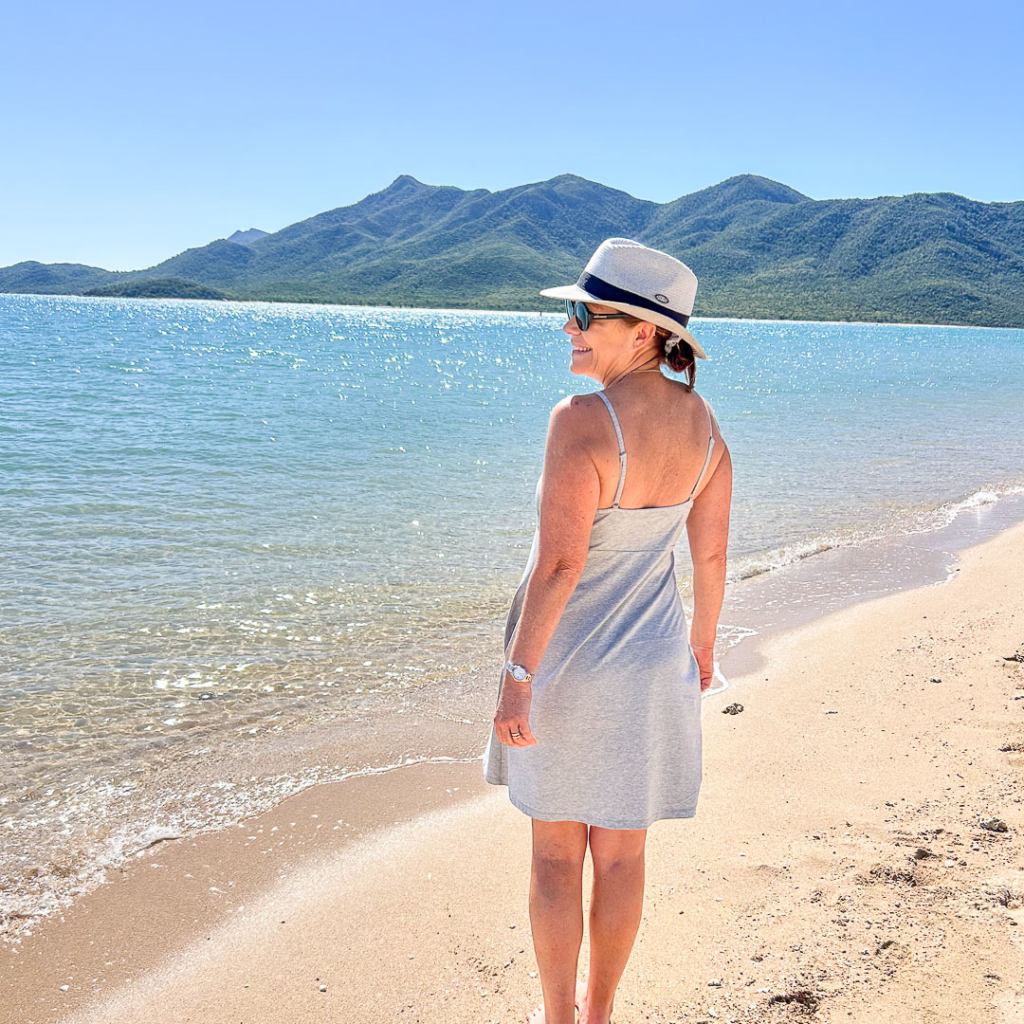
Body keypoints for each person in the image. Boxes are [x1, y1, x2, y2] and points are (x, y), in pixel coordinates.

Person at [482, 237, 732, 1024]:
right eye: (572, 312)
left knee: (557, 856)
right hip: (655, 664)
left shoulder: (581, 420)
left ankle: (561, 1019)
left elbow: (560, 567)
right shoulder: (704, 425)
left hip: (570, 666)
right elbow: (713, 554)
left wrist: (517, 678)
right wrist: (701, 649)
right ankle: (600, 1016)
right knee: (622, 856)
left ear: (647, 332)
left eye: (587, 314)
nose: (570, 327)